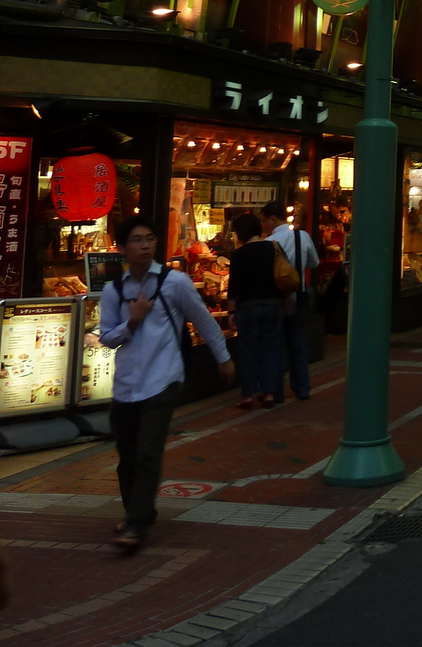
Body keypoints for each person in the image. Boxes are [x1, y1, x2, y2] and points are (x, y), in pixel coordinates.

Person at [100, 217, 234, 553]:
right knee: (128, 456)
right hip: (127, 384)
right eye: (136, 239)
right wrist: (132, 320)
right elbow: (106, 337)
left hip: (164, 379)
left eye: (149, 238)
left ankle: (135, 525)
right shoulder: (113, 290)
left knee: (148, 453)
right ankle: (139, 511)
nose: (144, 245)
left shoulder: (175, 282)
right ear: (121, 248)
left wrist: (223, 357)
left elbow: (202, 318)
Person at [226, 212, 287, 409]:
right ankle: (269, 394)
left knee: (248, 351)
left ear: (240, 233)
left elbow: (233, 287)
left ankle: (248, 396)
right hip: (273, 305)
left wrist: (230, 313)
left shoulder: (239, 254)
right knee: (271, 348)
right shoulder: (274, 248)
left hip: (248, 307)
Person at [261, 202, 316, 402]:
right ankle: (302, 388)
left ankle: (275, 392)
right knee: (298, 344)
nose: (263, 225)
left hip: (275, 300)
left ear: (273, 219)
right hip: (297, 298)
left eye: (264, 221)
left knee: (275, 345)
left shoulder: (269, 241)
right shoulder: (302, 237)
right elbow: (314, 262)